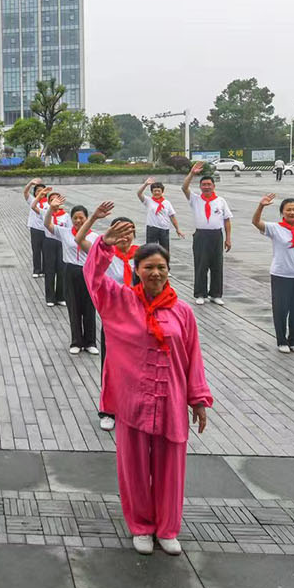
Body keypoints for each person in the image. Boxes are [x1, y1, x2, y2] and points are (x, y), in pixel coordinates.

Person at [84, 218, 211, 556]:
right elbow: (93, 279)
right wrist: (105, 246)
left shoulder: (183, 312)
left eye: (161, 267)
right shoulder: (120, 302)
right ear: (137, 270)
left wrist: (198, 399)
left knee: (171, 469)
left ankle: (167, 528)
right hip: (133, 402)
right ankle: (141, 526)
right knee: (135, 469)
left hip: (171, 402)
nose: (155, 273)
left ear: (169, 271)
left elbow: (193, 357)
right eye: (148, 267)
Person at [75, 202, 136, 431]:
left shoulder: (141, 256)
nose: (125, 237)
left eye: (129, 232)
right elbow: (79, 239)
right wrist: (93, 218)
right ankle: (108, 410)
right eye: (120, 232)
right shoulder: (104, 254)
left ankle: (131, 407)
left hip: (139, 320)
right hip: (114, 320)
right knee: (111, 366)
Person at [252, 195, 294, 353]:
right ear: (282, 212)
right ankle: (282, 341)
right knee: (281, 309)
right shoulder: (275, 228)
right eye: (289, 210)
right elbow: (256, 222)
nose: (292, 212)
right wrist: (261, 206)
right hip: (281, 275)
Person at [44, 203, 98, 356]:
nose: (78, 221)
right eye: (75, 218)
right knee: (73, 307)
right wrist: (51, 209)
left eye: (81, 218)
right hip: (70, 271)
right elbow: (47, 224)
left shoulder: (94, 237)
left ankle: (90, 342)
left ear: (87, 218)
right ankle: (76, 342)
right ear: (71, 219)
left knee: (89, 308)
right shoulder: (65, 232)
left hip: (88, 272)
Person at [181, 163, 233, 305]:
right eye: (204, 185)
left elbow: (227, 220)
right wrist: (192, 173)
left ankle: (215, 294)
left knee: (217, 266)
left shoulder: (220, 201)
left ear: (213, 186)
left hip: (216, 236)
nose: (206, 187)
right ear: (200, 187)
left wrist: (228, 238)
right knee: (201, 265)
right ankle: (200, 294)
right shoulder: (195, 199)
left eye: (209, 184)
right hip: (201, 236)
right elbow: (184, 188)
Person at [135, 177, 184, 252]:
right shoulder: (148, 201)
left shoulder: (167, 203)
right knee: (150, 249)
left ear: (162, 192)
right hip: (152, 228)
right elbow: (139, 193)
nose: (157, 192)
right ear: (152, 192)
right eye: (155, 191)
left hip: (164, 228)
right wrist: (145, 184)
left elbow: (172, 216)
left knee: (164, 250)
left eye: (159, 191)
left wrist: (177, 229)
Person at [39, 190, 67, 307]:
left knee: (62, 270)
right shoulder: (45, 213)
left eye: (57, 200)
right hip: (49, 242)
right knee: (49, 270)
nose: (55, 202)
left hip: (61, 243)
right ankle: (50, 297)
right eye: (52, 200)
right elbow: (33, 206)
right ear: (49, 202)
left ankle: (61, 296)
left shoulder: (66, 216)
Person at [24, 179, 49, 277]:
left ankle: (45, 270)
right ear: (35, 193)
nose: (40, 192)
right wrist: (30, 183)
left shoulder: (49, 203)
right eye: (38, 191)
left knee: (46, 251)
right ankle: (36, 270)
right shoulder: (32, 201)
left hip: (46, 229)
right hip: (35, 229)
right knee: (36, 250)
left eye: (43, 190)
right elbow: (25, 192)